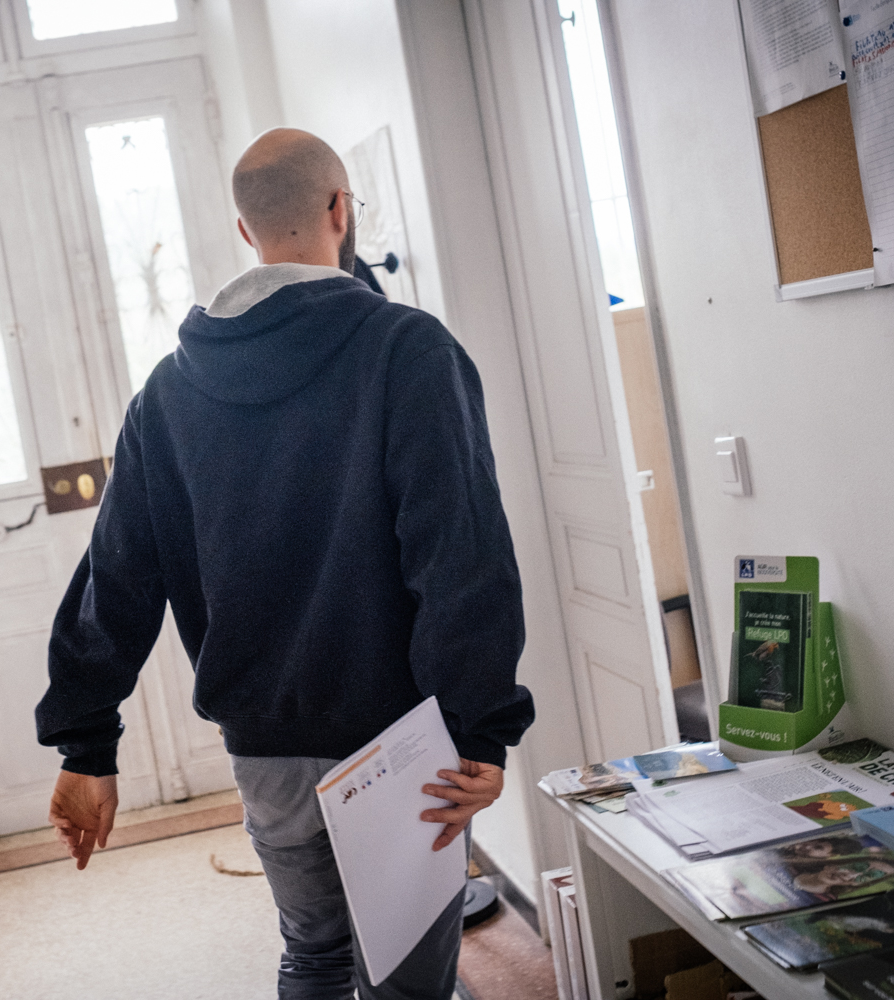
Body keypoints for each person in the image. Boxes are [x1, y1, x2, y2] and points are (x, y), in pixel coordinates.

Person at [35, 127, 534, 999]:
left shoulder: (167, 392)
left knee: (315, 955)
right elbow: (461, 554)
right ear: (340, 210)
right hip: (401, 745)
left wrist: (86, 744)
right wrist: (481, 724)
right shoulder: (409, 353)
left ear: (245, 231)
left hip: (265, 751)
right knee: (407, 985)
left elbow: (117, 573)